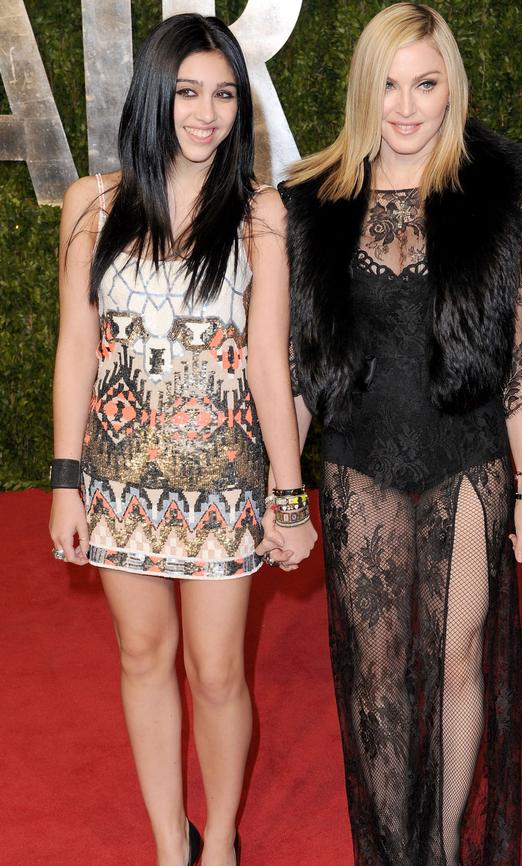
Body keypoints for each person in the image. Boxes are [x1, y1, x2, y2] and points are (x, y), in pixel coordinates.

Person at [279, 4, 522, 865]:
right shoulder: (314, 206)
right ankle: (393, 849)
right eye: (389, 84)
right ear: (366, 90)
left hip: (468, 461)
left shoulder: (491, 202)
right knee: (379, 671)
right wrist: (287, 494)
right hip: (360, 463)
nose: (405, 106)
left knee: (460, 656)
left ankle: (439, 848)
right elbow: (299, 371)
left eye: (425, 83)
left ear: (450, 89)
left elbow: (518, 354)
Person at [49, 13, 315, 866]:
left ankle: (223, 837)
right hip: (120, 479)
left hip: (227, 481)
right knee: (141, 654)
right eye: (189, 92)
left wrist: (287, 492)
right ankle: (172, 843)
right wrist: (64, 479)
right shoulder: (91, 203)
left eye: (225, 95)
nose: (206, 113)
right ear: (155, 97)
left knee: (217, 672)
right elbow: (77, 348)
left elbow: (270, 362)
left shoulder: (261, 215)